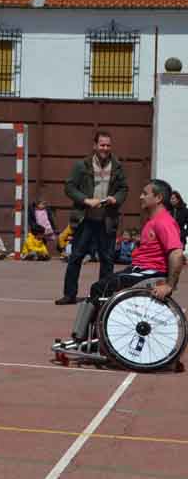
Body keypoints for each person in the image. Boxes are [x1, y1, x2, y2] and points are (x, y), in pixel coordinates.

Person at [66, 180, 184, 342]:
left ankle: (89, 339)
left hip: (150, 272)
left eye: (145, 193)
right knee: (101, 287)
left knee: (100, 288)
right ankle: (88, 336)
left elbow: (177, 254)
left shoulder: (164, 222)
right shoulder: (153, 221)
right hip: (140, 269)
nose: (141, 197)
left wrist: (169, 285)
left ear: (158, 198)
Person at [57, 130, 128, 305]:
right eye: (102, 145)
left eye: (108, 145)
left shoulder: (117, 166)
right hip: (85, 219)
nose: (105, 148)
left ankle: (103, 295)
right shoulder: (81, 165)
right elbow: (69, 187)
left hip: (107, 219)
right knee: (76, 257)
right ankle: (69, 294)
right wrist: (85, 200)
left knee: (107, 259)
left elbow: (124, 188)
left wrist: (115, 199)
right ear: (94, 145)